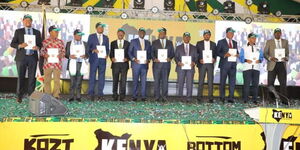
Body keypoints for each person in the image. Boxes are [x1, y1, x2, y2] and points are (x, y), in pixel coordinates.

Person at [10, 14, 42, 103]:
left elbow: (40, 44)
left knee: (32, 78)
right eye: (26, 20)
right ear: (23, 21)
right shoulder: (18, 31)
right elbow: (12, 43)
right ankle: (19, 96)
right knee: (21, 77)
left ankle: (31, 96)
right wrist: (20, 45)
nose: (28, 22)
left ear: (32, 21)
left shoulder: (37, 32)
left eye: (29, 20)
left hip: (32, 57)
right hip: (21, 58)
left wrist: (37, 47)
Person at [264, 28, 289, 104]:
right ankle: (271, 100)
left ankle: (284, 100)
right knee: (270, 83)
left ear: (281, 34)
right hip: (272, 64)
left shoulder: (285, 42)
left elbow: (287, 53)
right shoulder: (269, 42)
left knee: (283, 83)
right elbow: (265, 53)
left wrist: (286, 58)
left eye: (279, 33)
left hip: (281, 64)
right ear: (274, 34)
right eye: (276, 33)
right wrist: (270, 58)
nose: (278, 34)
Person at [41, 25, 65, 99]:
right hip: (47, 64)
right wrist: (45, 55)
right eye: (55, 31)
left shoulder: (60, 42)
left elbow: (64, 52)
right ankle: (47, 95)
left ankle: (56, 95)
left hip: (57, 64)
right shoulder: (45, 42)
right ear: (50, 32)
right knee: (47, 81)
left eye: (57, 31)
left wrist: (61, 55)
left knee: (57, 81)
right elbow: (41, 51)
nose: (57, 32)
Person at [128, 28, 152, 101]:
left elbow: (149, 53)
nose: (142, 33)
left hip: (144, 65)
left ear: (145, 34)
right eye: (140, 32)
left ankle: (143, 96)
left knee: (143, 81)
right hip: (136, 64)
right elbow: (129, 52)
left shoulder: (148, 42)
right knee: (135, 80)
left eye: (143, 32)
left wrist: (148, 60)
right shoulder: (133, 41)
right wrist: (134, 59)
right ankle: (134, 96)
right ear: (138, 33)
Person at [151, 27, 175, 102]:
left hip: (166, 65)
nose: (161, 34)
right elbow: (151, 53)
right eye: (160, 33)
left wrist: (170, 58)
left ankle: (164, 96)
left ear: (165, 34)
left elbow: (172, 53)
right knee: (156, 81)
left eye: (163, 33)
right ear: (159, 34)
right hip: (157, 65)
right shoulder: (154, 42)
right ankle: (156, 97)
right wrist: (154, 59)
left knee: (165, 81)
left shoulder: (170, 42)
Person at [87, 22, 109, 101]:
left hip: (102, 60)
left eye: (102, 28)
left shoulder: (106, 38)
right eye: (100, 27)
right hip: (94, 59)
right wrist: (93, 50)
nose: (101, 29)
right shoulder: (91, 36)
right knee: (92, 76)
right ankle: (91, 94)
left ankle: (100, 94)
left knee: (101, 77)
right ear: (96, 28)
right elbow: (88, 48)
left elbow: (107, 49)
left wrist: (107, 54)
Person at [65, 29, 89, 102]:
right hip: (72, 63)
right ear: (74, 35)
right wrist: (70, 56)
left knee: (79, 81)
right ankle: (71, 96)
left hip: (81, 64)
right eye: (78, 35)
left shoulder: (85, 43)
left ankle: (78, 96)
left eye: (81, 35)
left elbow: (88, 54)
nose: (80, 36)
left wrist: (85, 56)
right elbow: (66, 54)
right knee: (72, 81)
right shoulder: (69, 43)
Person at [240, 33, 264, 104]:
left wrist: (259, 60)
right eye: (252, 38)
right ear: (248, 39)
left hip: (256, 68)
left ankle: (255, 99)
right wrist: (246, 60)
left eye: (255, 38)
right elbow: (241, 58)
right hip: (247, 68)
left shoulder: (258, 47)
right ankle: (245, 99)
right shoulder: (244, 47)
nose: (254, 39)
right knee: (246, 84)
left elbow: (261, 57)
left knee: (255, 84)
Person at [217, 27, 239, 103]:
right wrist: (224, 55)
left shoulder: (235, 42)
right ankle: (222, 97)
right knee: (222, 82)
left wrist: (237, 55)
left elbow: (237, 52)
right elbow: (217, 52)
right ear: (226, 33)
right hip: (224, 65)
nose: (232, 34)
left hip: (233, 65)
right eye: (230, 33)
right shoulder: (221, 42)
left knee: (232, 82)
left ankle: (231, 97)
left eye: (233, 33)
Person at [175, 32, 198, 102]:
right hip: (180, 68)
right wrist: (178, 62)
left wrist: (194, 62)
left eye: (188, 37)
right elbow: (176, 57)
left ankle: (189, 98)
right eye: (185, 37)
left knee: (189, 83)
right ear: (183, 38)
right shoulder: (178, 47)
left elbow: (196, 57)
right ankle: (180, 97)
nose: (186, 38)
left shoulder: (194, 47)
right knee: (180, 82)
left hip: (190, 68)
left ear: (190, 38)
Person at [196, 29, 217, 103]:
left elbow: (215, 54)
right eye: (205, 34)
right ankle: (199, 97)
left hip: (210, 64)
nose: (207, 36)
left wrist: (214, 59)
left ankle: (210, 97)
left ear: (210, 36)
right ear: (203, 36)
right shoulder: (199, 43)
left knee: (210, 81)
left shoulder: (214, 44)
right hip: (202, 64)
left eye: (208, 34)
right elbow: (196, 54)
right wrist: (199, 60)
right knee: (201, 81)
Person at [109, 28, 130, 101]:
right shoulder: (113, 43)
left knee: (123, 81)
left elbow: (129, 53)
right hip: (115, 64)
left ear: (124, 35)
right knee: (115, 80)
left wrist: (127, 58)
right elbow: (111, 53)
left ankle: (122, 96)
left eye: (122, 33)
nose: (120, 34)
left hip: (124, 64)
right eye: (119, 33)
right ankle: (114, 95)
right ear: (117, 34)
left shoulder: (128, 43)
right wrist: (112, 58)